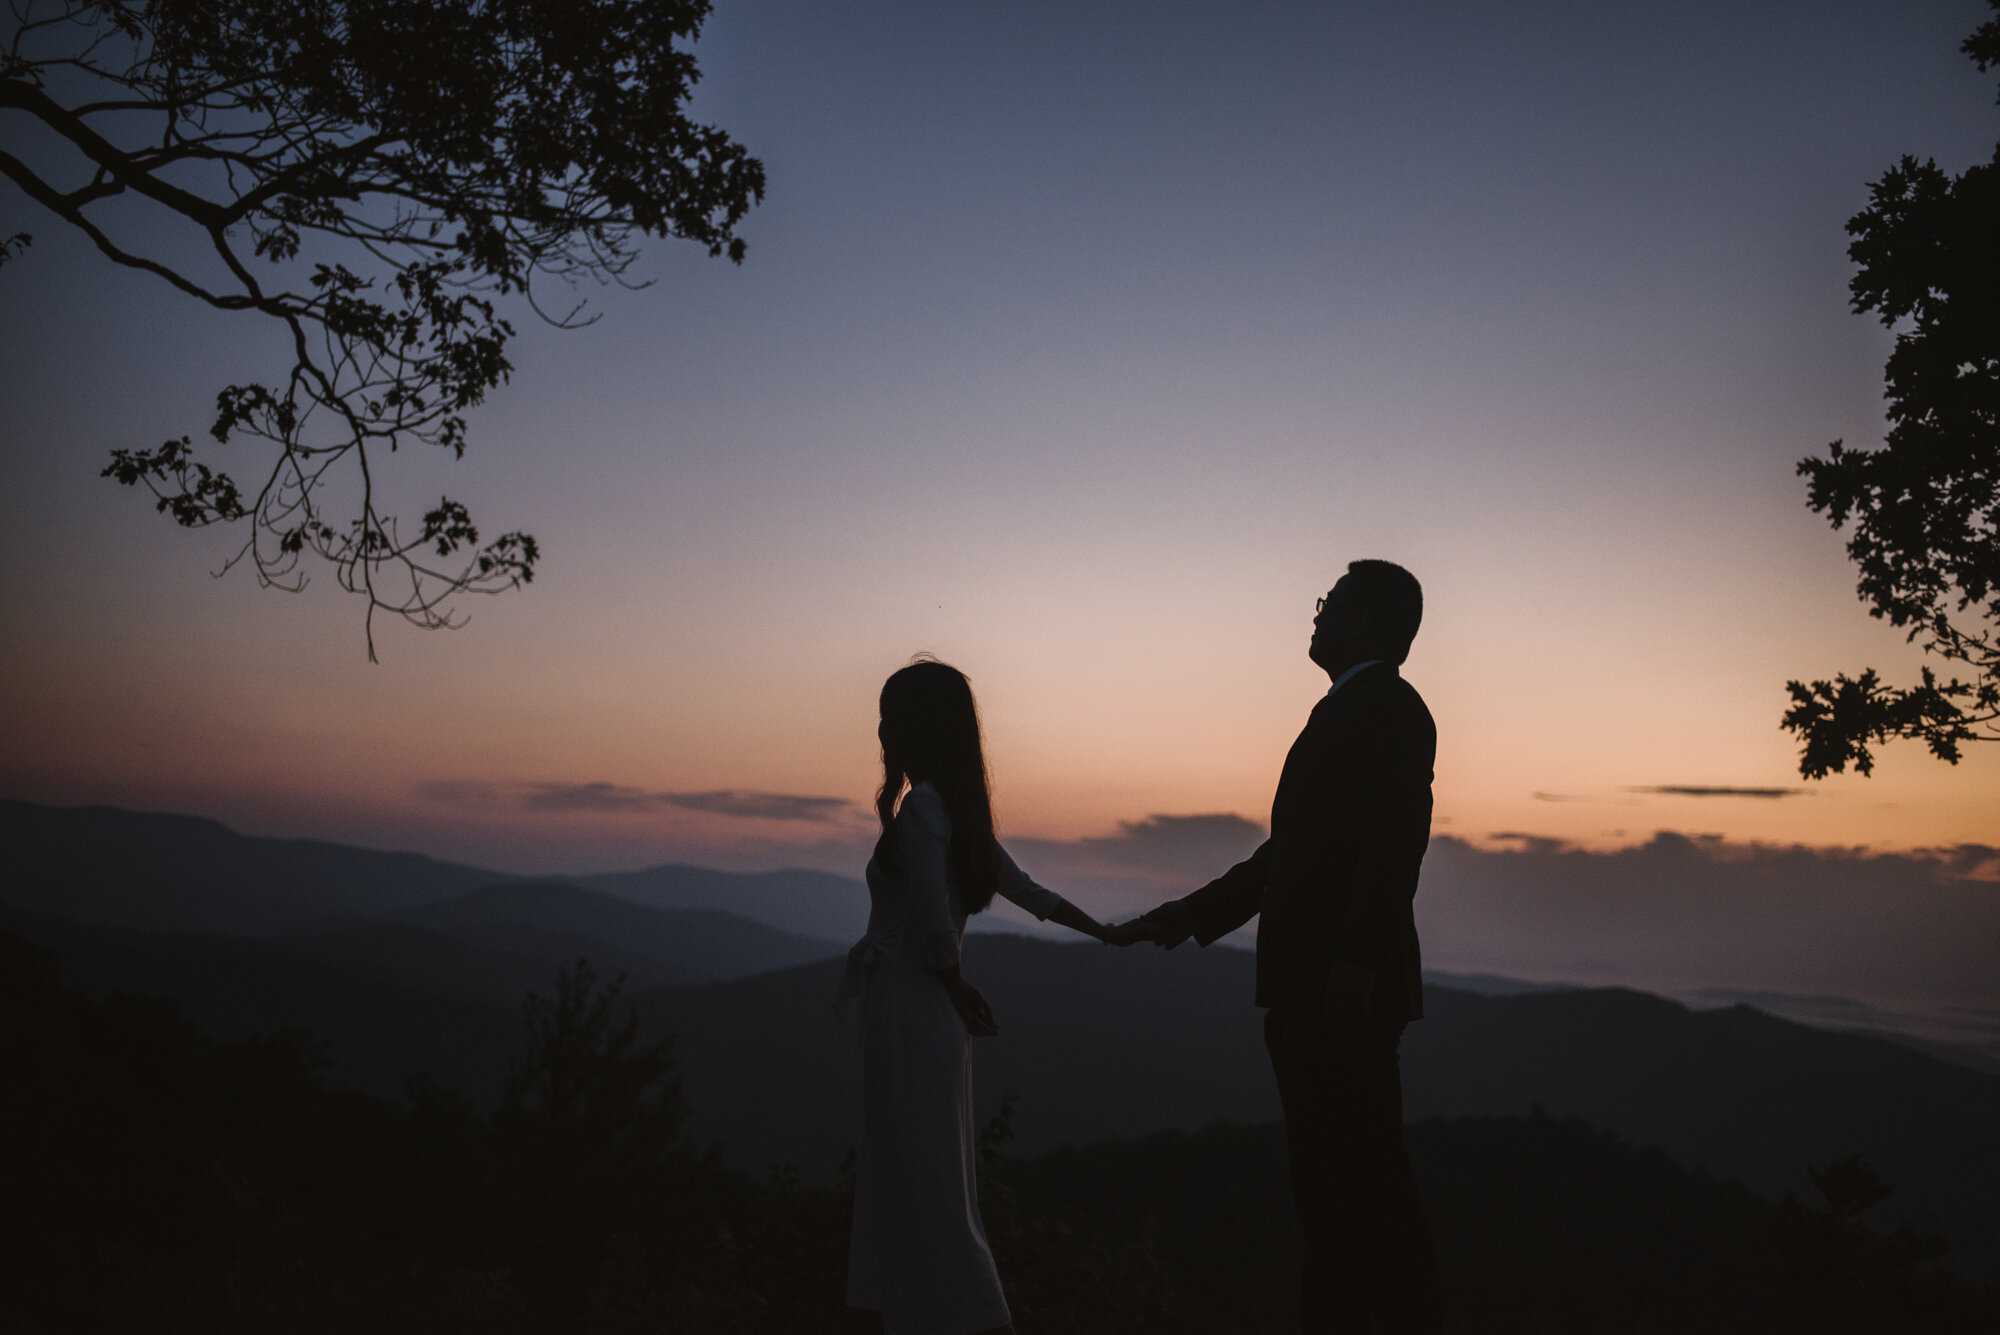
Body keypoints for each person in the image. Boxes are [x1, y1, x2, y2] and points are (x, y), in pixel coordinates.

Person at [1118, 559, 1443, 1335]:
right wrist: (1189, 914)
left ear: (1363, 619)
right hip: (1312, 989)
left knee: (1360, 1191)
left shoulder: (1392, 708)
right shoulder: (1341, 710)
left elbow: (1397, 842)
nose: (1317, 614)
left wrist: (1358, 963)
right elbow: (1288, 857)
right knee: (1332, 1191)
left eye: (1328, 601)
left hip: (1341, 995)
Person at [839, 656, 1113, 1335]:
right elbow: (1030, 892)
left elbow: (935, 924)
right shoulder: (950, 805)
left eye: (890, 716)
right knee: (923, 1164)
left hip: (912, 1004)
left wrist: (956, 987)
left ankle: (962, 1317)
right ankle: (905, 1311)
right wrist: (1109, 932)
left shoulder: (924, 807)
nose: (880, 729)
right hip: (923, 1004)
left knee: (920, 1171)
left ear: (918, 727)